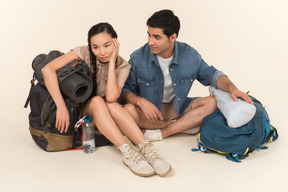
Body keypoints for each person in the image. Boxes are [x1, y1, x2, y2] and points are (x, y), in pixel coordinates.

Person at [41, 22, 171, 177]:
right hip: (80, 113)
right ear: (90, 46)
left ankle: (147, 150)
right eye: (95, 47)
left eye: (107, 45)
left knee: (112, 104)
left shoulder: (122, 65)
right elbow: (47, 69)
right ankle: (127, 151)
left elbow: (111, 97)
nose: (101, 52)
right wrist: (60, 105)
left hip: (105, 114)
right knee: (97, 101)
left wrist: (112, 62)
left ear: (115, 43)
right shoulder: (82, 52)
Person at [120, 9, 253, 142]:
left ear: (172, 37)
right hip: (149, 113)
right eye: (149, 35)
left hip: (177, 108)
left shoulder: (189, 55)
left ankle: (164, 132)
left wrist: (233, 89)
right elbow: (124, 92)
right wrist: (141, 102)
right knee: (128, 110)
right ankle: (183, 125)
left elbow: (213, 76)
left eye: (157, 37)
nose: (150, 42)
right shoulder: (138, 58)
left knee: (212, 102)